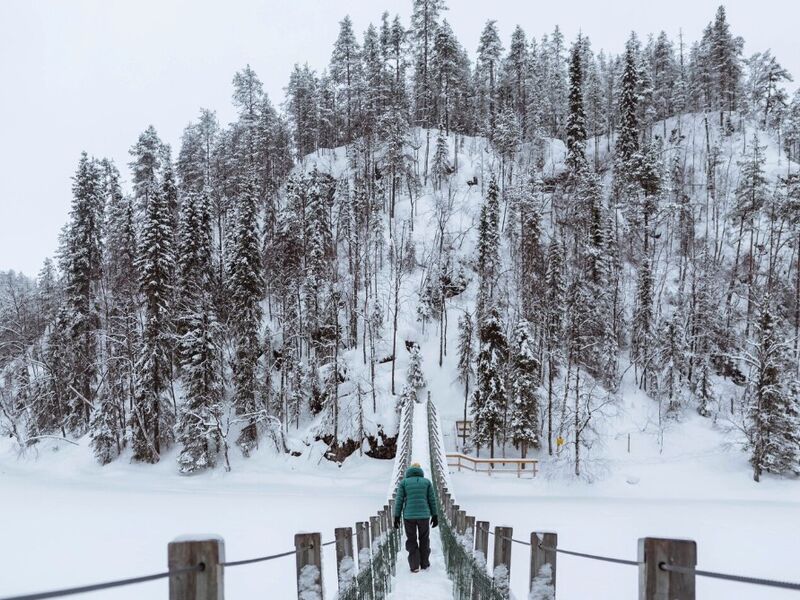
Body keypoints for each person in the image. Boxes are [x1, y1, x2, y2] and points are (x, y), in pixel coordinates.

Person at [393, 461, 438, 573]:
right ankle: (424, 563)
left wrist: (397, 516)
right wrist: (435, 515)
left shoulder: (404, 483)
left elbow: (399, 501)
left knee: (411, 539)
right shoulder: (427, 482)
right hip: (424, 515)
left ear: (410, 471)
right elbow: (432, 500)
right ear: (420, 472)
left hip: (409, 516)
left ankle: (414, 566)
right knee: (424, 539)